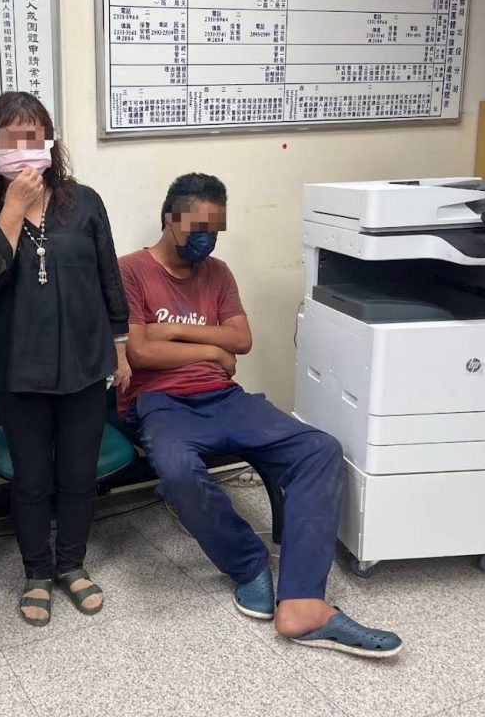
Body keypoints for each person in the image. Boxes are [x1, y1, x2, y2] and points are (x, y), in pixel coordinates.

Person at [118, 173, 403, 659]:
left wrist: (180, 337)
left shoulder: (218, 273)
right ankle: (249, 563)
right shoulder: (130, 271)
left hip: (224, 395)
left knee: (319, 450)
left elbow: (242, 342)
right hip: (161, 401)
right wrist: (213, 347)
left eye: (215, 229)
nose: (207, 239)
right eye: (198, 228)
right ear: (169, 219)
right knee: (179, 473)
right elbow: (141, 352)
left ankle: (303, 602)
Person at [0, 92, 131, 627]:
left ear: (49, 142)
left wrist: (120, 347)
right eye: (9, 137)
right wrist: (12, 210)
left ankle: (71, 565)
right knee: (32, 479)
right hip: (21, 369)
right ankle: (36, 571)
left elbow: (109, 278)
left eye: (32, 135)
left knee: (79, 474)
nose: (22, 146)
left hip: (85, 363)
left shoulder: (84, 202)